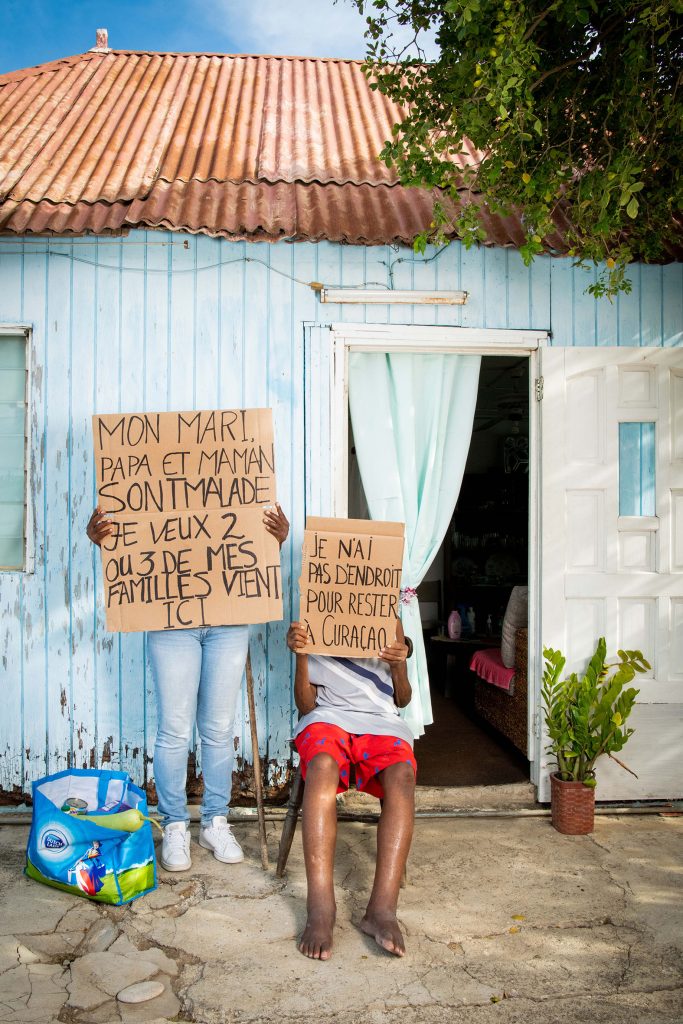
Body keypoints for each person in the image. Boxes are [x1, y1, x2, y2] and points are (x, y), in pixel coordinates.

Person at [87, 503, 289, 872]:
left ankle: (214, 821)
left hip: (227, 616)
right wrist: (101, 540)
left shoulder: (234, 468)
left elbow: (252, 538)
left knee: (218, 728)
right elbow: (135, 540)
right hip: (169, 616)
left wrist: (275, 538)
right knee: (175, 729)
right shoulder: (151, 472)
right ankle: (175, 823)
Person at [286, 619, 416, 960]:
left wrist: (398, 666)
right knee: (323, 766)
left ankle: (382, 911)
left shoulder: (389, 617)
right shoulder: (315, 612)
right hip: (327, 717)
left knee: (402, 775)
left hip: (381, 720)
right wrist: (301, 655)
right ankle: (321, 907)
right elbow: (306, 706)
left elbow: (402, 699)